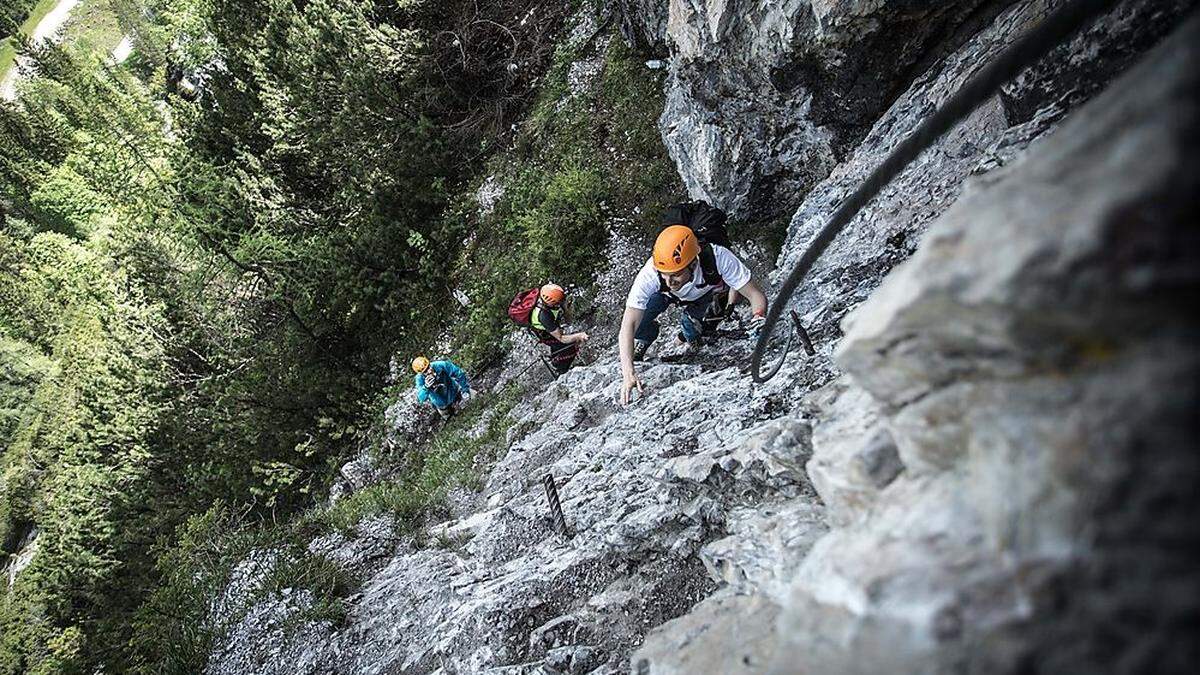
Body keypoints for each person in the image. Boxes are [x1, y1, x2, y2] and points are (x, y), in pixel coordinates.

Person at [617, 225, 768, 404]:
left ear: (694, 263)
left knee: (692, 332)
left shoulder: (718, 258)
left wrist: (758, 317)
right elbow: (627, 324)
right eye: (664, 275)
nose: (669, 281)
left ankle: (689, 331)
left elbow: (755, 295)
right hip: (663, 295)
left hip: (701, 296)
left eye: (675, 275)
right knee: (638, 327)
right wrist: (629, 373)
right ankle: (649, 335)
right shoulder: (651, 273)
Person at [529, 283, 589, 375]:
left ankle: (557, 359)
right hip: (546, 334)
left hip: (550, 327)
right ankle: (561, 370)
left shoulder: (551, 302)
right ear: (551, 302)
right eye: (558, 302)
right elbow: (561, 338)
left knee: (562, 346)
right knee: (568, 348)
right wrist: (579, 336)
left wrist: (565, 308)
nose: (560, 303)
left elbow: (569, 321)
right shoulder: (544, 316)